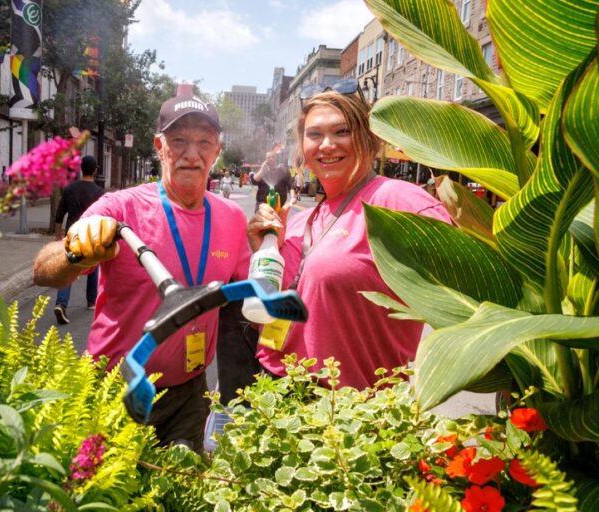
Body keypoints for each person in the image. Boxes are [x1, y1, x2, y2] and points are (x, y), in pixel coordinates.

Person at [33, 90, 250, 452]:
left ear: (216, 151)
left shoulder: (231, 218)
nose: (191, 154)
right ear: (159, 146)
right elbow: (43, 271)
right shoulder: (120, 208)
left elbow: (252, 294)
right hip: (117, 389)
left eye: (203, 142)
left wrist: (274, 242)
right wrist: (77, 252)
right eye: (179, 141)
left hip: (190, 396)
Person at [247, 89, 452, 389]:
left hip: (351, 411)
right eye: (314, 134)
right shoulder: (298, 221)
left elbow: (466, 299)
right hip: (276, 392)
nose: (327, 144)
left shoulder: (398, 201)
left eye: (342, 131)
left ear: (368, 138)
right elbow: (264, 321)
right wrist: (265, 253)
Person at [52, 155, 104, 324]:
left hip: (72, 234)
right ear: (95, 170)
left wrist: (58, 236)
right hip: (90, 235)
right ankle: (91, 300)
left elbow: (60, 214)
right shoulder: (98, 192)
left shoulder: (69, 189)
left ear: (81, 169)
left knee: (69, 269)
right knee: (92, 265)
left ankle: (61, 303)